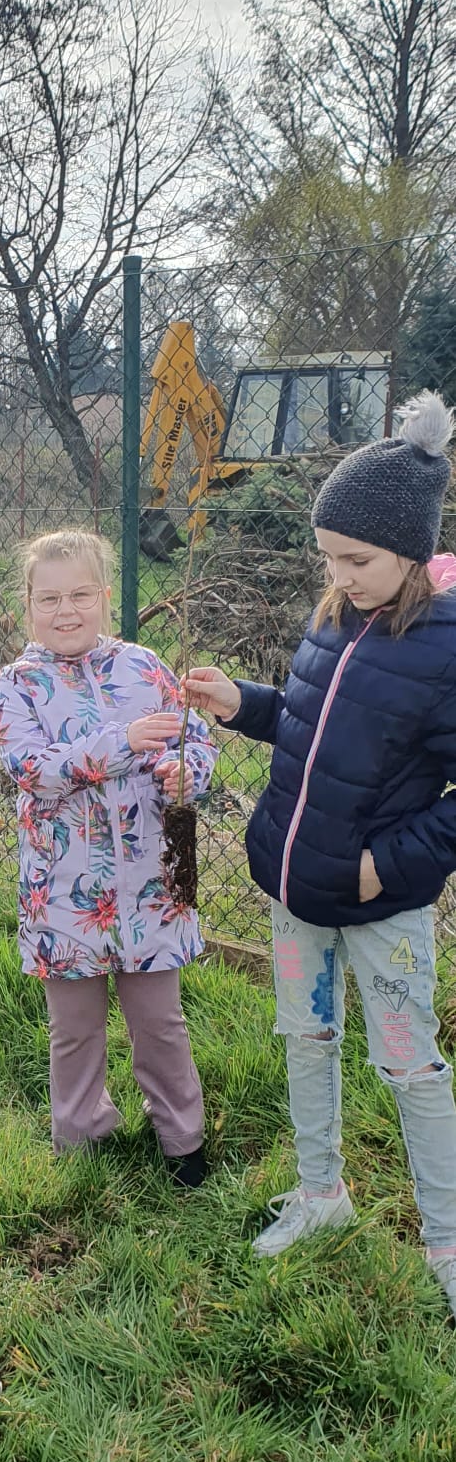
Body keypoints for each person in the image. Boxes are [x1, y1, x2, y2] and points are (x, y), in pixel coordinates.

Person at [184, 391, 456, 1317]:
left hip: (385, 904)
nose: (339, 574)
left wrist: (398, 864)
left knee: (409, 1064)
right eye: (328, 557)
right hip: (294, 886)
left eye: (358, 559)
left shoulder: (446, 645)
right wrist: (242, 703)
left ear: (412, 551)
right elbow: (309, 726)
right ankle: (321, 1195)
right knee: (306, 1038)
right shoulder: (338, 613)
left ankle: (450, 1249)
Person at [0, 527, 217, 1186]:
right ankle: (81, 1135)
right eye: (50, 598)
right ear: (27, 606)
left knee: (161, 1021)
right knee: (76, 1028)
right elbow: (30, 766)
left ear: (106, 598)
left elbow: (192, 741)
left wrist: (186, 772)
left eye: (81, 595)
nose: (67, 611)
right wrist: (119, 743)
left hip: (150, 887)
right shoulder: (20, 685)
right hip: (63, 896)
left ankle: (183, 1140)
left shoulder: (144, 667)